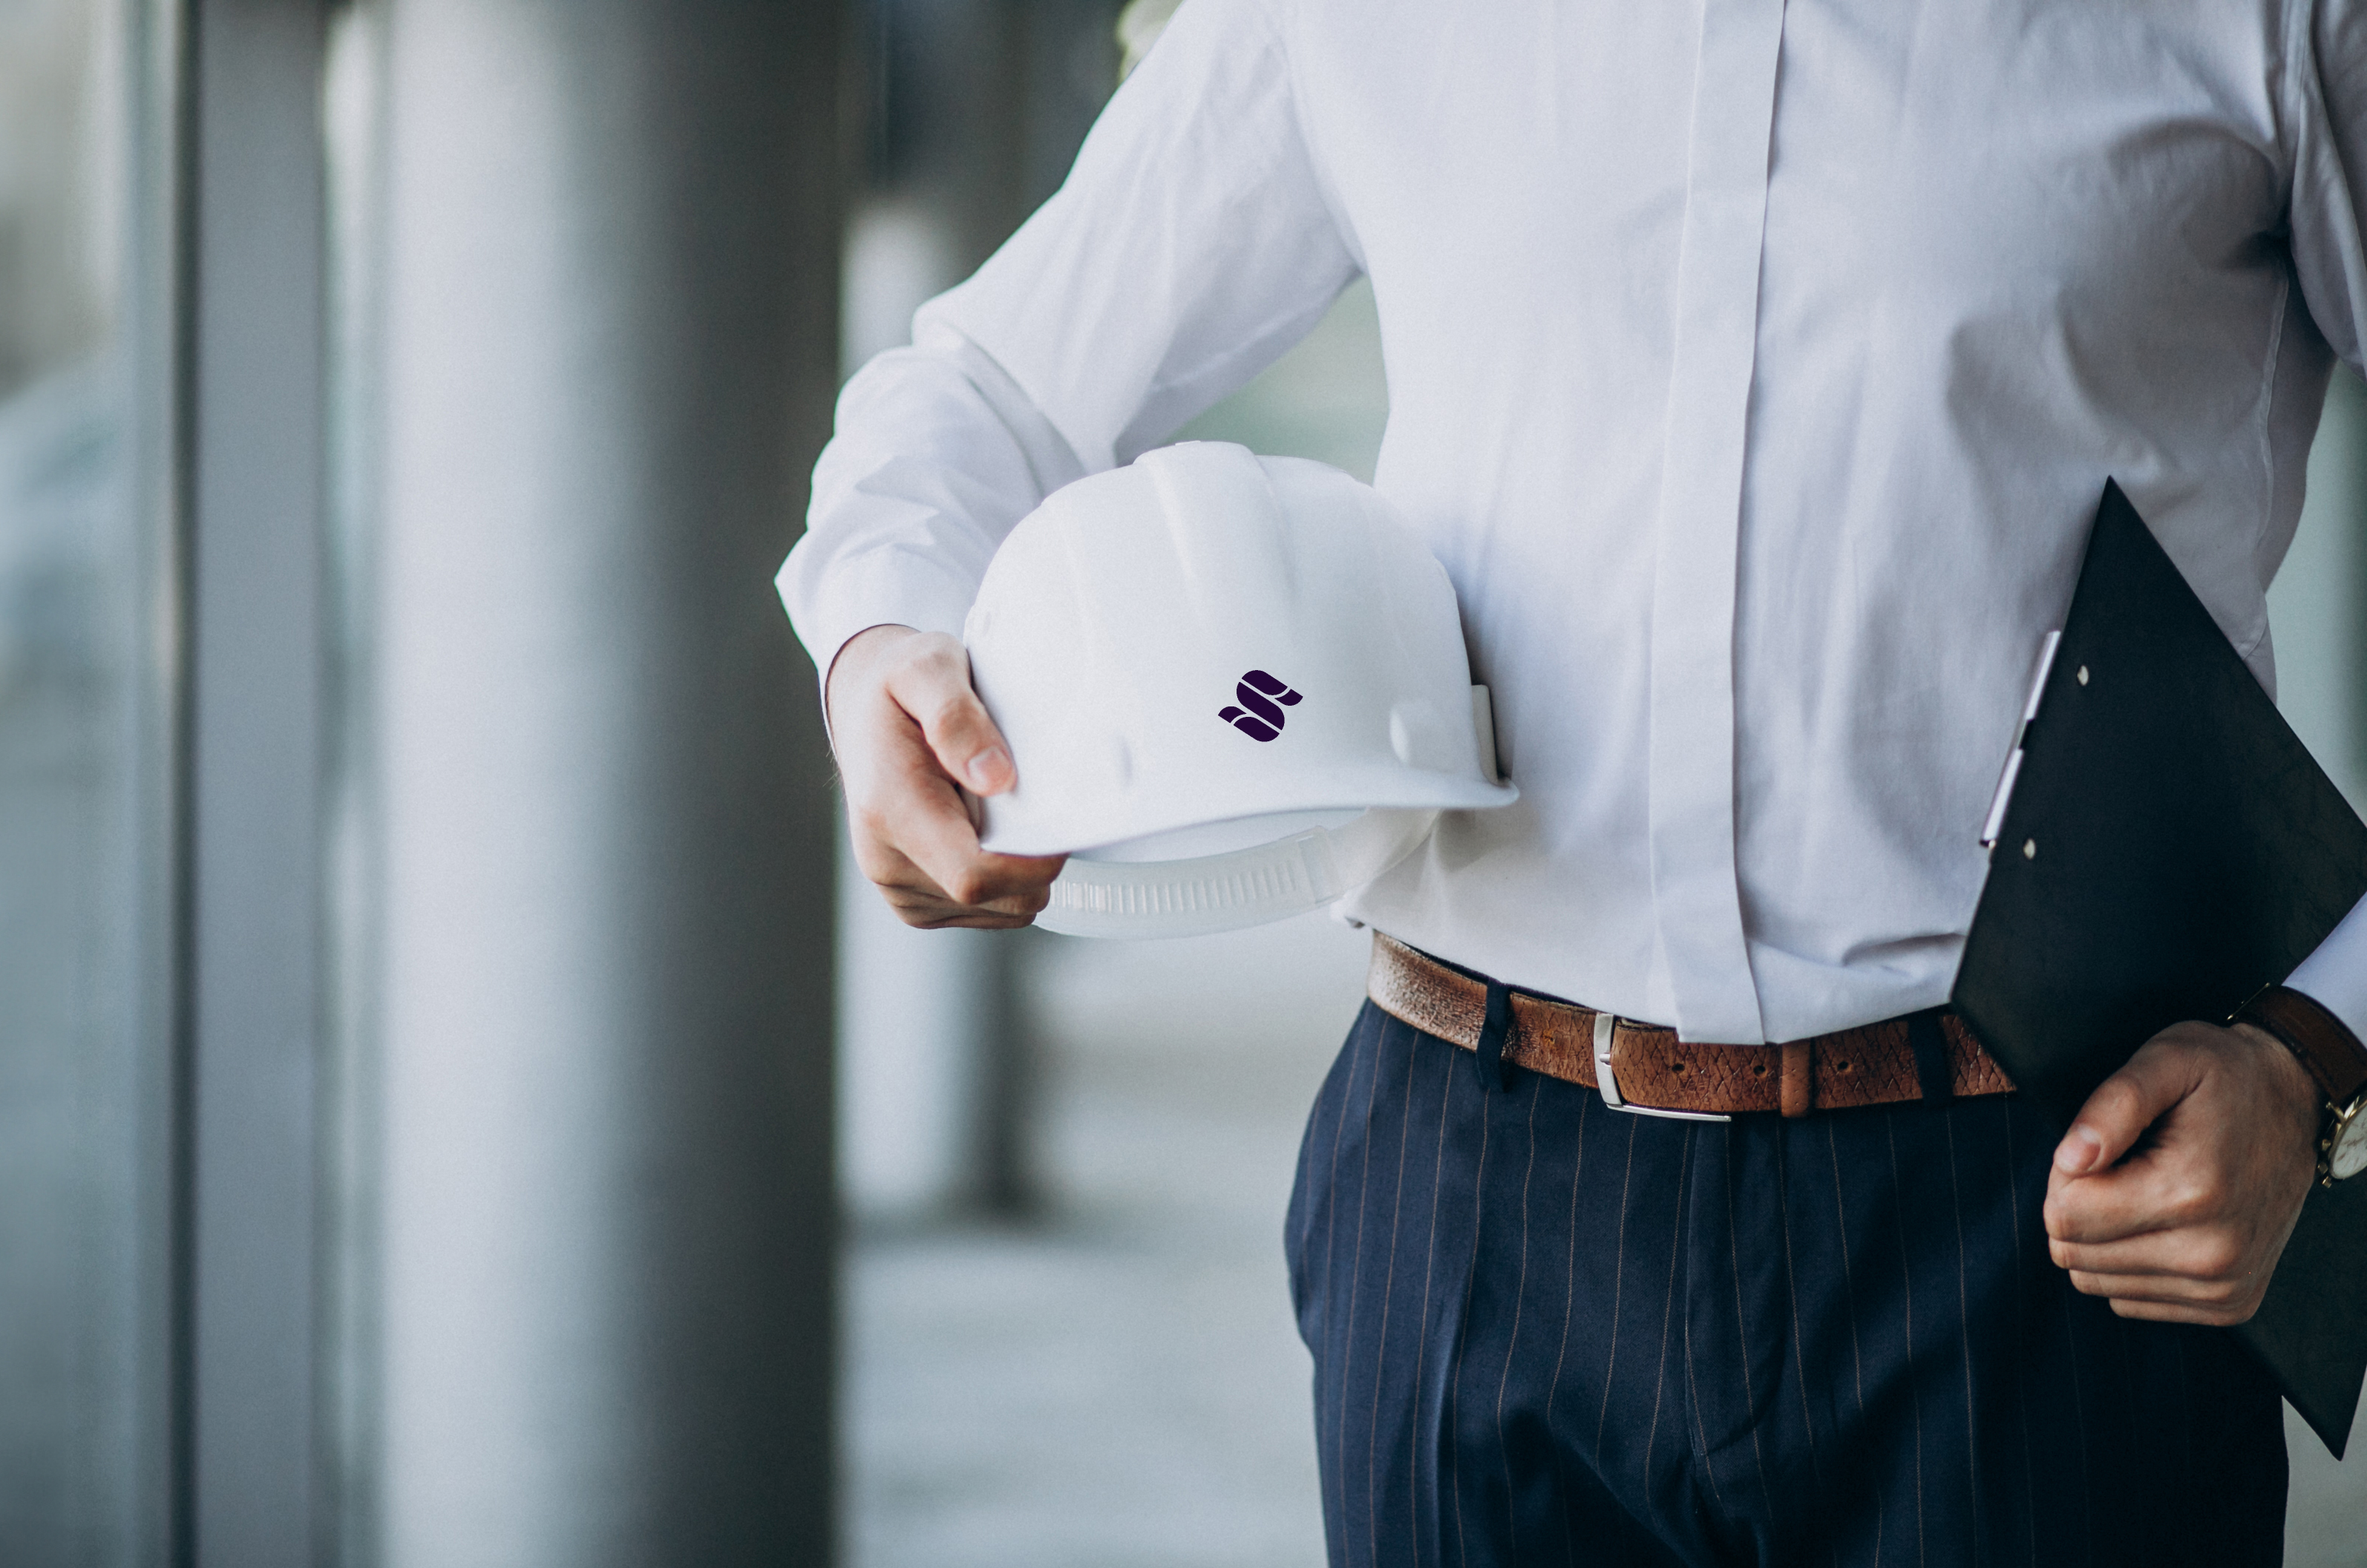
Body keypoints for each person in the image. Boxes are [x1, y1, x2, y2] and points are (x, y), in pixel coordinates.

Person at [779, 0, 2367, 1561]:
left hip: (2052, 1209)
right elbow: (988, 386)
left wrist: (2314, 1062)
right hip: (1467, 1195)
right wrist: (876, 650)